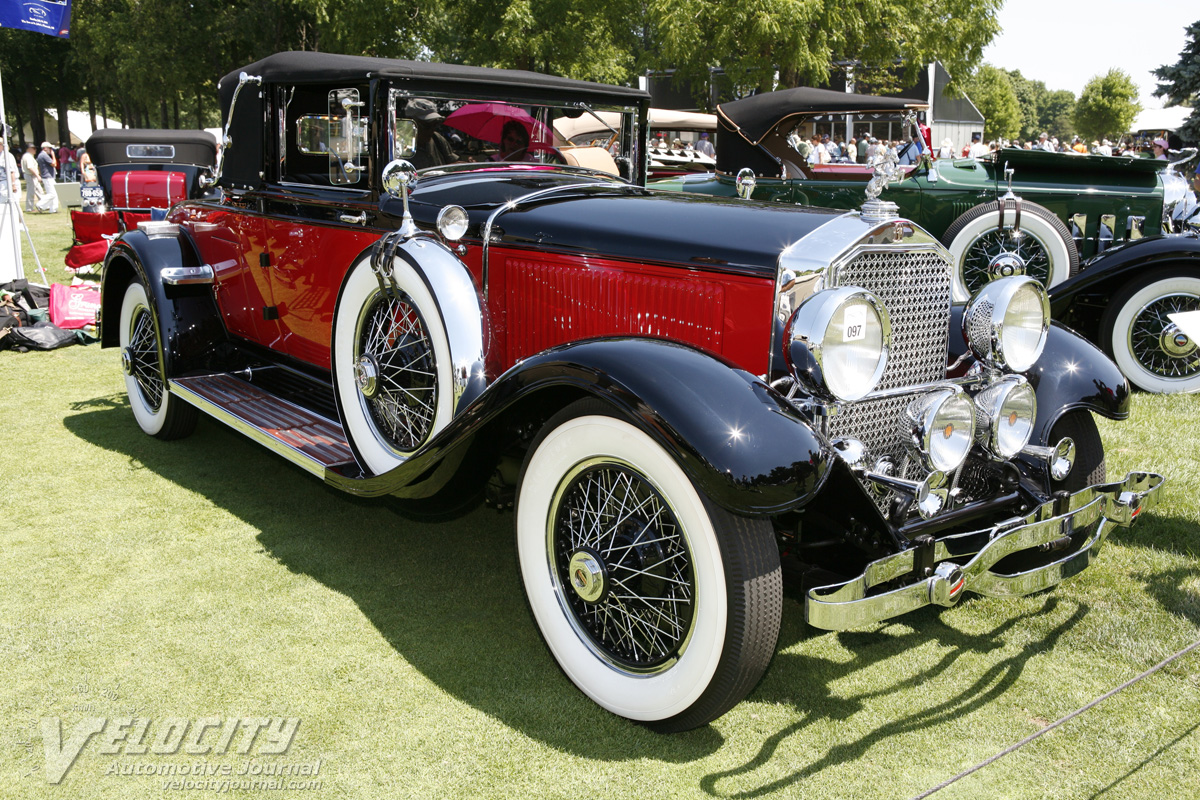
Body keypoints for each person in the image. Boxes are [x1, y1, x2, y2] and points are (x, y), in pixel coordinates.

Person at [405, 99, 454, 169]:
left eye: (435, 124)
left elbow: (452, 163)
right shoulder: (399, 147)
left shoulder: (437, 139)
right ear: (410, 122)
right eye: (427, 125)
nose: (432, 130)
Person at [36, 142, 59, 213]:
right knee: (52, 194)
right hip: (48, 177)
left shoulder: (40, 155)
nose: (51, 150)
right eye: (50, 148)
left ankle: (53, 209)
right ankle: (40, 204)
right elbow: (54, 164)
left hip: (46, 176)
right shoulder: (44, 155)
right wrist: (53, 155)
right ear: (45, 148)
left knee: (54, 193)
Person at [20, 144, 38, 213]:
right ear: (28, 149)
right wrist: (37, 175)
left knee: (39, 191)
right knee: (31, 192)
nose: (35, 150)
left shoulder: (29, 156)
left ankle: (44, 205)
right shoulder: (27, 156)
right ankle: (29, 208)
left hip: (32, 175)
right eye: (33, 148)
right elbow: (30, 167)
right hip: (30, 175)